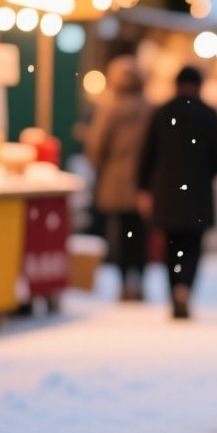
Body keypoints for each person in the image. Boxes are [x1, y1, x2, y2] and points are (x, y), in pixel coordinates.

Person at [137, 66, 217, 320]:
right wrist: (203, 172)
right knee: (193, 245)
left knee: (171, 244)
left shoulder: (162, 112)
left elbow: (147, 155)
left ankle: (174, 289)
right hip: (198, 193)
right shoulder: (209, 114)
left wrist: (144, 188)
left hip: (167, 192)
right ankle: (184, 289)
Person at [84, 55, 151, 302]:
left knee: (121, 235)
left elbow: (96, 145)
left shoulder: (109, 108)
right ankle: (139, 281)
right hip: (144, 183)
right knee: (140, 235)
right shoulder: (149, 108)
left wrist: (102, 167)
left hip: (115, 180)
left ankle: (124, 283)